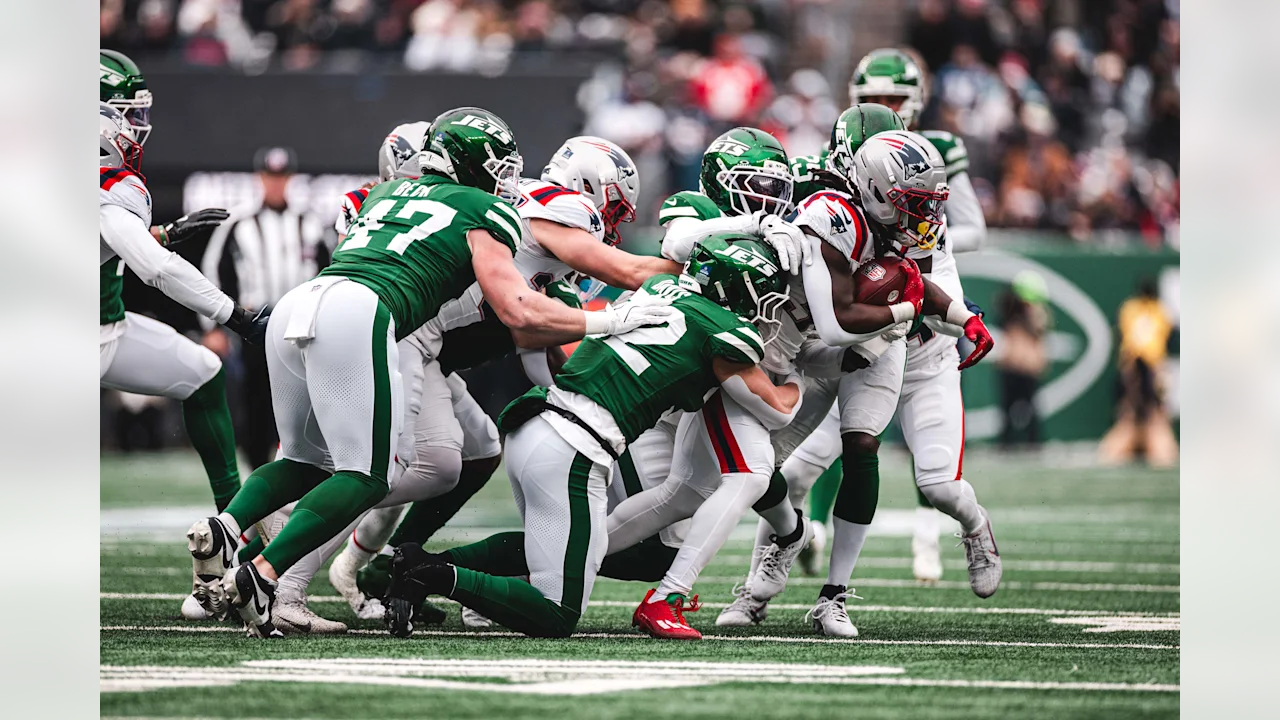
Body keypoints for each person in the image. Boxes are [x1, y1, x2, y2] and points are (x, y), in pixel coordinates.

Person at [182, 107, 676, 638]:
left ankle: (302, 546)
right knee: (369, 473)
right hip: (398, 329)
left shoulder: (416, 197)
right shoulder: (544, 208)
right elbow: (556, 303)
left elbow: (537, 335)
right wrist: (694, 269)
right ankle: (279, 571)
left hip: (342, 314)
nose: (618, 220)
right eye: (618, 204)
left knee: (453, 455)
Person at [382, 236, 801, 640]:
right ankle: (431, 573)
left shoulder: (660, 286)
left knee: (550, 550)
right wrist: (798, 376)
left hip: (535, 423)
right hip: (575, 447)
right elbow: (777, 411)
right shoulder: (724, 331)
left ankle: (419, 567)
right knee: (557, 613)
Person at [717, 130, 999, 637]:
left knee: (864, 448)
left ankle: (835, 595)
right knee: (773, 468)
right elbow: (840, 320)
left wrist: (960, 317)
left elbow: (920, 285)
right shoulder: (830, 211)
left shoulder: (904, 226)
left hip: (880, 347)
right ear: (872, 187)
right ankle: (767, 573)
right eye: (914, 203)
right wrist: (909, 308)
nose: (926, 216)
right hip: (822, 345)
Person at [849, 47, 990, 581]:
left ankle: (933, 534)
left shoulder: (933, 154)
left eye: (893, 99)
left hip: (922, 291)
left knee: (933, 466)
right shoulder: (840, 155)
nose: (885, 108)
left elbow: (969, 228)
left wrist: (909, 239)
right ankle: (789, 557)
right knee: (825, 451)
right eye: (873, 101)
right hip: (861, 323)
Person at [200, 146, 330, 469]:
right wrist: (214, 327)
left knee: (308, 401)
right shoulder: (240, 222)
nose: (275, 184)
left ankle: (304, 470)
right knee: (257, 401)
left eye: (281, 177)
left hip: (304, 324)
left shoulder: (311, 223)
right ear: (260, 178)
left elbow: (332, 272)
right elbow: (215, 273)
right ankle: (259, 475)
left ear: (290, 179)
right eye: (270, 177)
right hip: (255, 323)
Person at [1099, 278, 1177, 467]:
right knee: (1135, 422)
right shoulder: (1158, 311)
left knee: (1149, 423)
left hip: (1139, 366)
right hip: (1142, 367)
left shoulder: (1132, 309)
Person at [997, 271, 1050, 448]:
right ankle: (1007, 442)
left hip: (1029, 366)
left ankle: (1033, 442)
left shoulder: (1038, 312)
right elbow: (1002, 312)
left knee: (1031, 407)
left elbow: (1040, 328)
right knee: (1007, 407)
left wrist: (1031, 308)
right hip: (1011, 364)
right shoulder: (1010, 310)